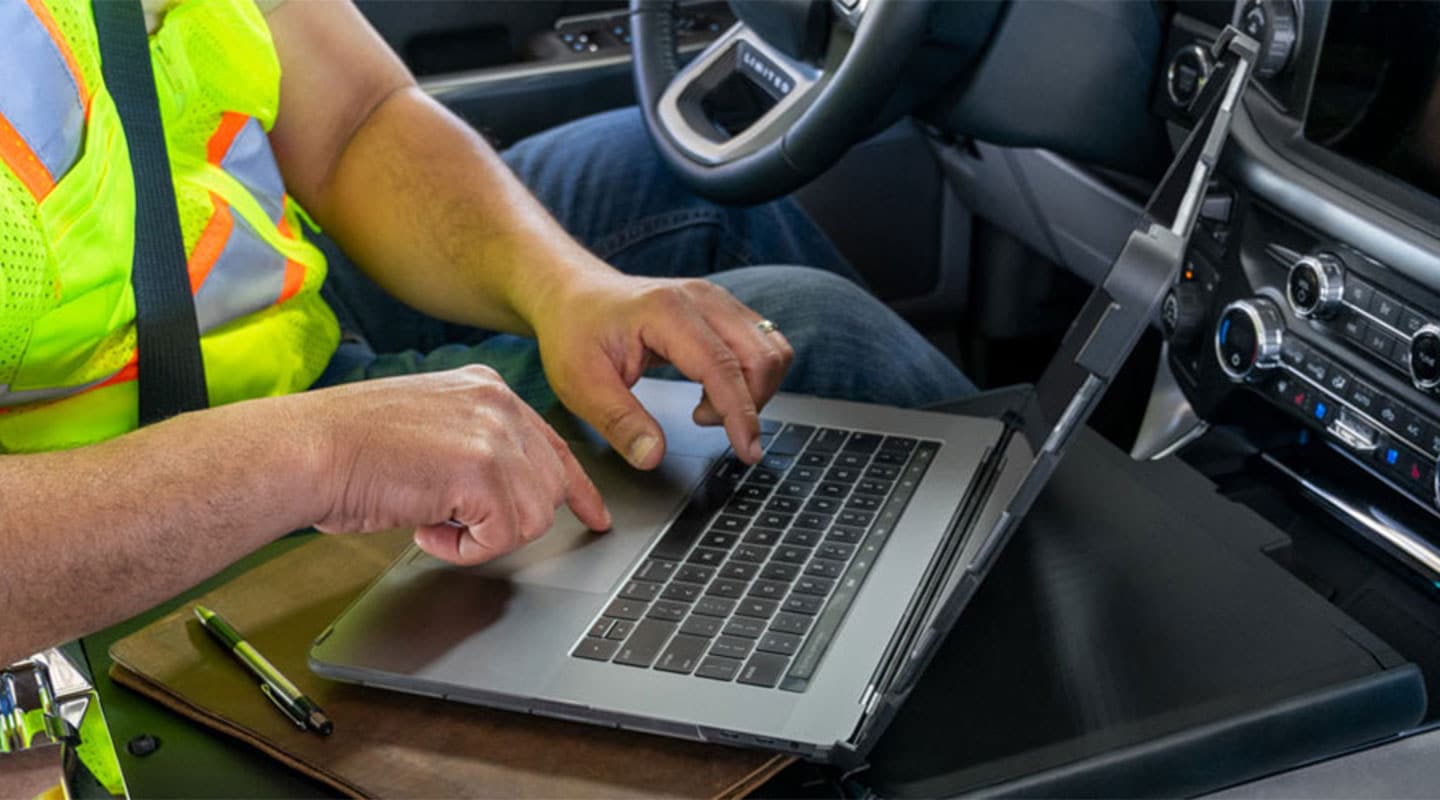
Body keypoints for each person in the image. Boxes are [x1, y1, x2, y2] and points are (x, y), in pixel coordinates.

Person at [0, 0, 972, 668]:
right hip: (136, 496)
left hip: (259, 317)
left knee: (676, 184)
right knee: (817, 339)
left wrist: (570, 291)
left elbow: (354, 119)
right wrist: (323, 452)